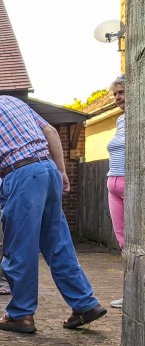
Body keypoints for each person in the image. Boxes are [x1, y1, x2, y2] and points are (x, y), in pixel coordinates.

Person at [0, 95, 106, 333]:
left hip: (21, 173)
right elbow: (50, 131)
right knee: (58, 243)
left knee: (19, 247)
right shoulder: (12, 101)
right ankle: (84, 303)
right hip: (47, 169)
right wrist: (61, 171)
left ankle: (21, 314)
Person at [106, 75, 125, 308]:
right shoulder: (120, 120)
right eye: (115, 94)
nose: (117, 98)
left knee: (139, 242)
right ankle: (131, 291)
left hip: (134, 184)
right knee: (123, 242)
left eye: (121, 92)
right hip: (113, 185)